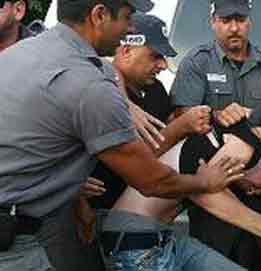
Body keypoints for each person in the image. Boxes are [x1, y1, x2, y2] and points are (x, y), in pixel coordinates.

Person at [0, 0, 246, 270]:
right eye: (128, 18)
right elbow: (151, 181)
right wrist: (203, 182)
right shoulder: (88, 85)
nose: (130, 27)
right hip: (13, 235)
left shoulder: (21, 53)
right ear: (99, 15)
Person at [77, 13, 261, 271]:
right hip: (125, 232)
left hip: (160, 230)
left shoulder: (157, 94)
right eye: (155, 56)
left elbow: (174, 161)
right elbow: (201, 187)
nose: (163, 65)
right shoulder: (99, 92)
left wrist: (240, 176)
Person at [170, 0, 261, 268]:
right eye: (225, 21)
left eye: (240, 19)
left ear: (250, 21)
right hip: (215, 189)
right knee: (214, 259)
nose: (234, 28)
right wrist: (216, 115)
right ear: (213, 22)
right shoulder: (196, 62)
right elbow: (181, 120)